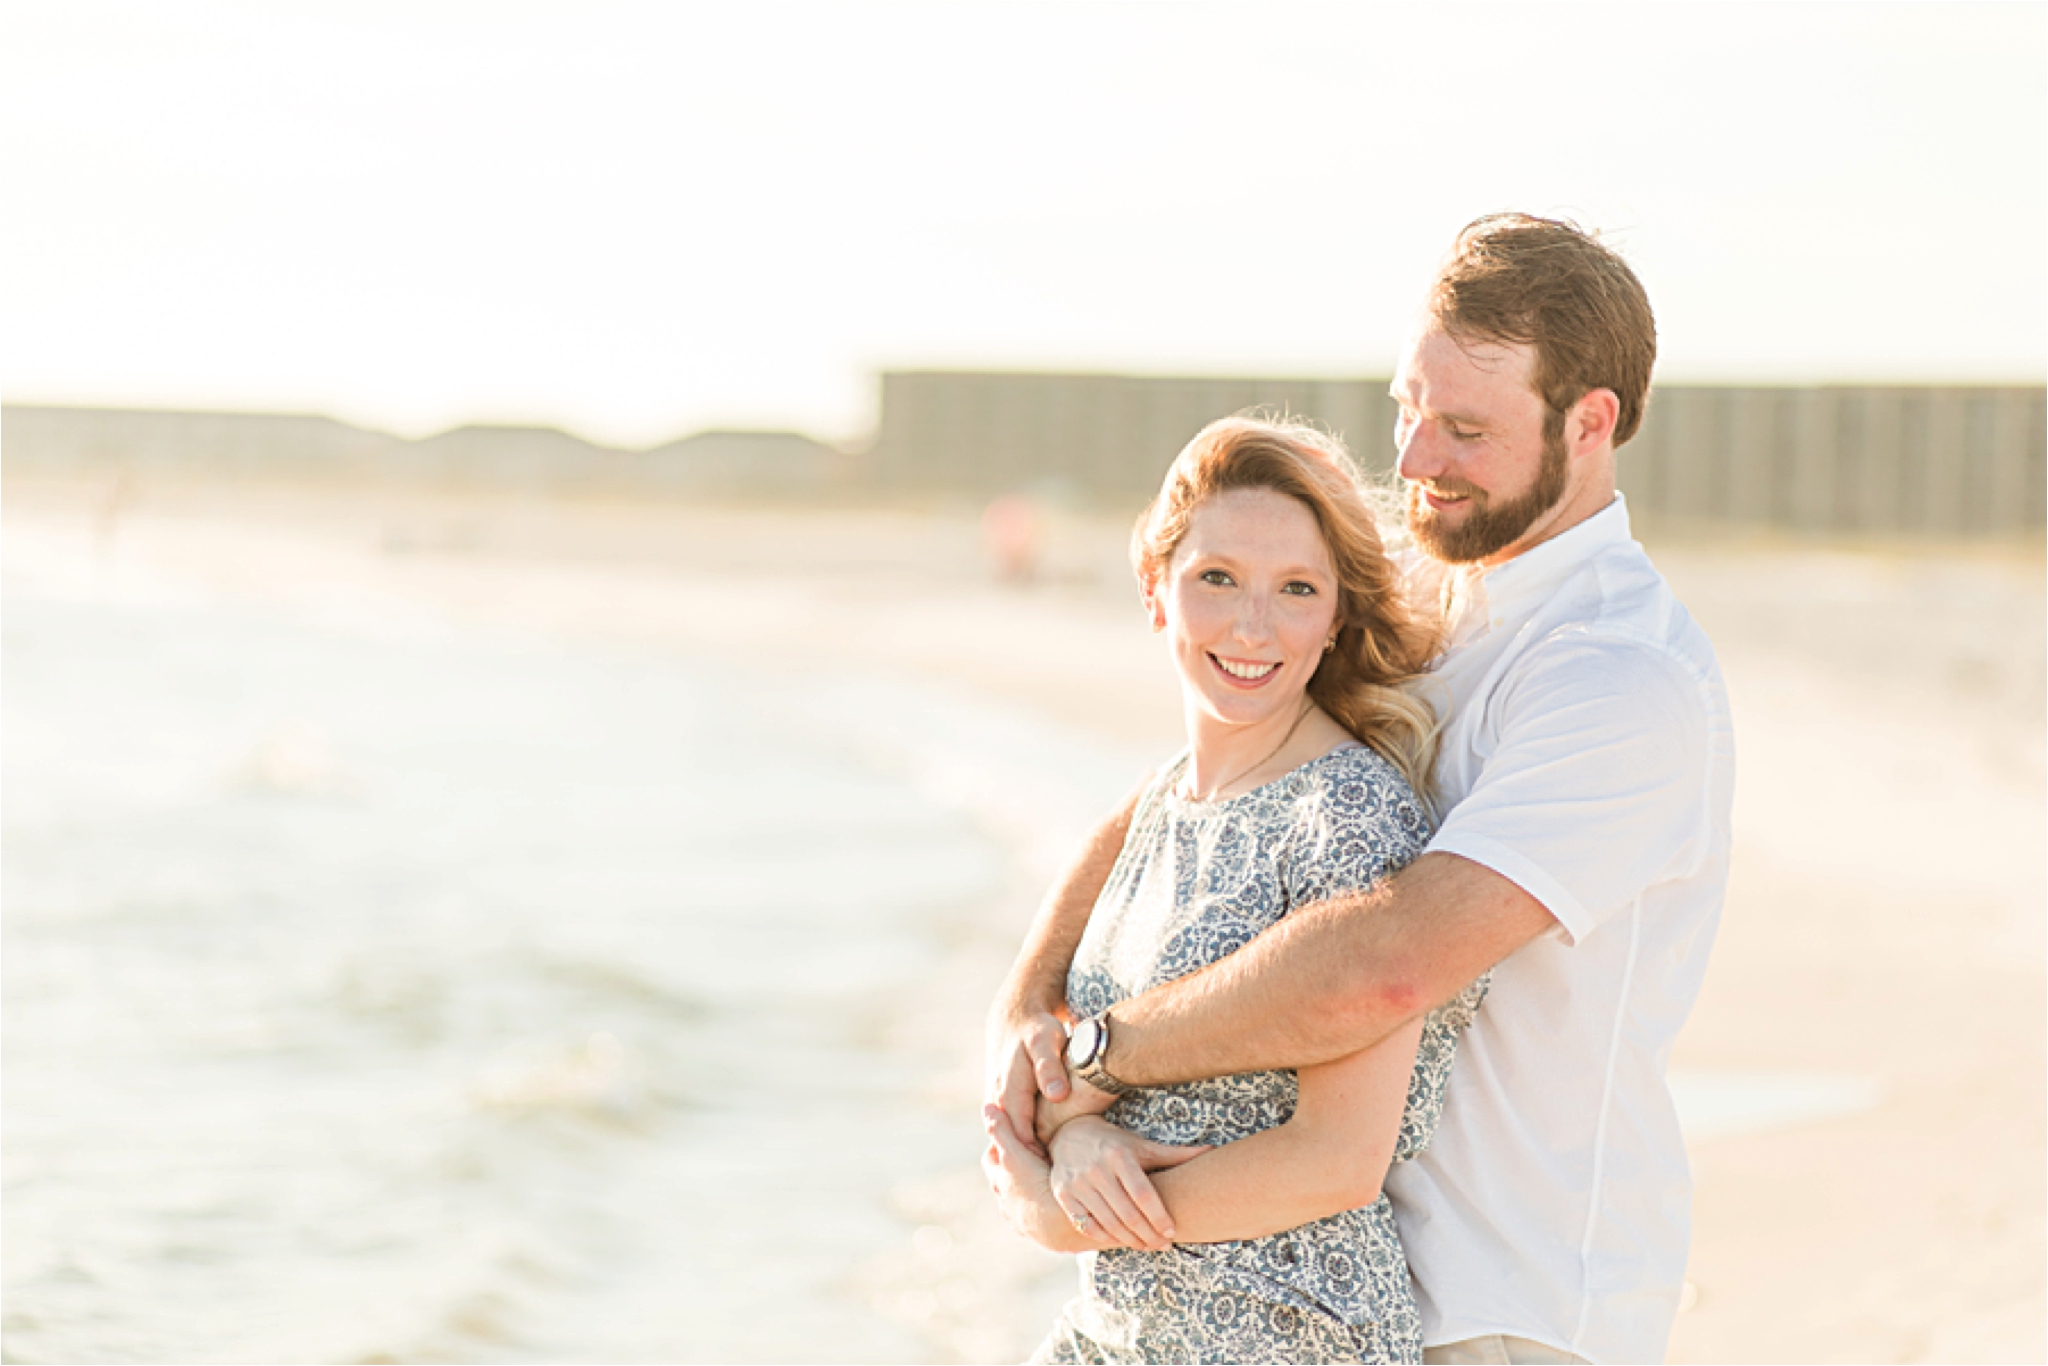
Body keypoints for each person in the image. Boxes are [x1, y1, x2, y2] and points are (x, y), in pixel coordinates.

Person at [985, 214, 1734, 1366]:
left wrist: (1096, 1060)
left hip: (1512, 1300)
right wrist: (1031, 1007)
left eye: (1465, 428)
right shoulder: (1438, 606)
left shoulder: (1618, 679)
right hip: (1341, 1272)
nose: (1416, 458)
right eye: (1407, 408)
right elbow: (1183, 805)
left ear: (1588, 425)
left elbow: (1381, 964)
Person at [983, 413, 1489, 1363]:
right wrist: (1080, 1145)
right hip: (1122, 1330)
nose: (1253, 626)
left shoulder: (1348, 819)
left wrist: (1072, 1214)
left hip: (1285, 1333)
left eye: (1296, 589)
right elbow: (1039, 1049)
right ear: (1155, 590)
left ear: (1336, 615)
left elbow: (1338, 1160)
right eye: (1218, 578)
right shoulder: (1161, 803)